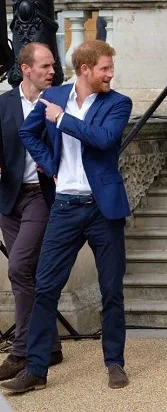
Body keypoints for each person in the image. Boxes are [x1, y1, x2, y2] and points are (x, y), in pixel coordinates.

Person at [1, 40, 132, 393]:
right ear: (85, 69)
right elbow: (28, 132)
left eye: (110, 68)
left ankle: (114, 363)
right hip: (64, 206)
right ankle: (37, 370)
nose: (110, 74)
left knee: (111, 290)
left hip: (103, 208)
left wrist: (64, 120)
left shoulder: (118, 102)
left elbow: (104, 140)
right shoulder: (55, 96)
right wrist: (49, 164)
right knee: (45, 287)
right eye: (105, 68)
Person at [0, 43, 63, 381]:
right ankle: (50, 346)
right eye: (44, 66)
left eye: (53, 66)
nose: (51, 71)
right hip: (9, 200)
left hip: (42, 195)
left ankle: (22, 350)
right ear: (25, 68)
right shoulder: (4, 103)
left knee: (19, 266)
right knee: (31, 274)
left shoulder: (60, 101)